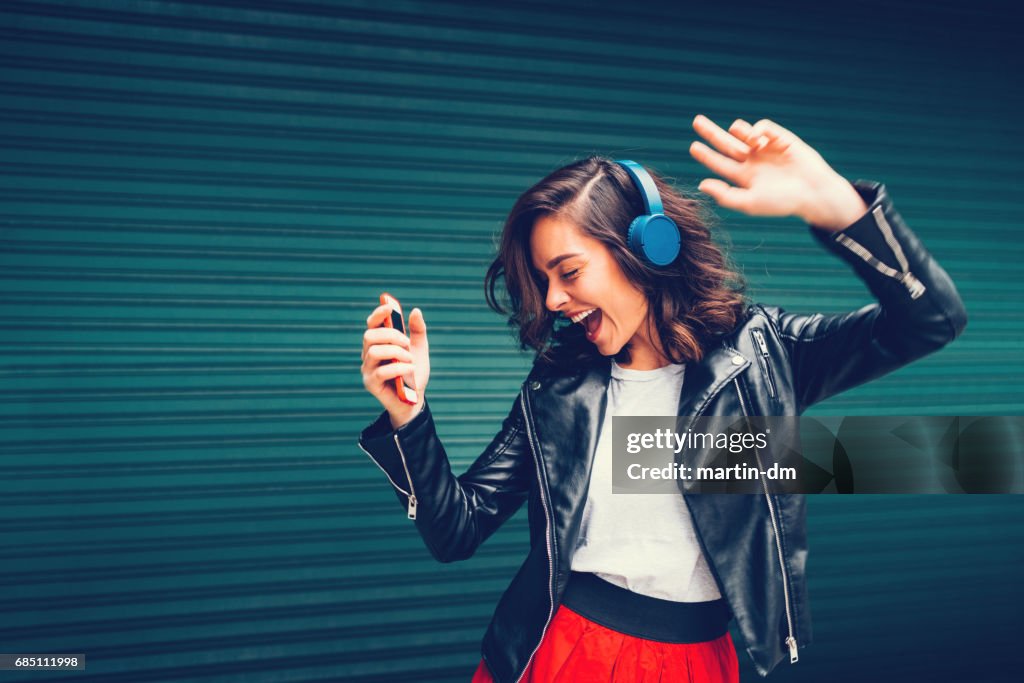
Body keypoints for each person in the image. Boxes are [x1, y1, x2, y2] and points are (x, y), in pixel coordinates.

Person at [357, 115, 967, 682]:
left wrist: (839, 208)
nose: (551, 301)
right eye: (543, 281)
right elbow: (456, 530)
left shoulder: (764, 354)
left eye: (568, 273)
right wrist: (408, 415)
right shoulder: (557, 384)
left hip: (699, 659)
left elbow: (930, 320)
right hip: (561, 650)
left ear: (648, 248)